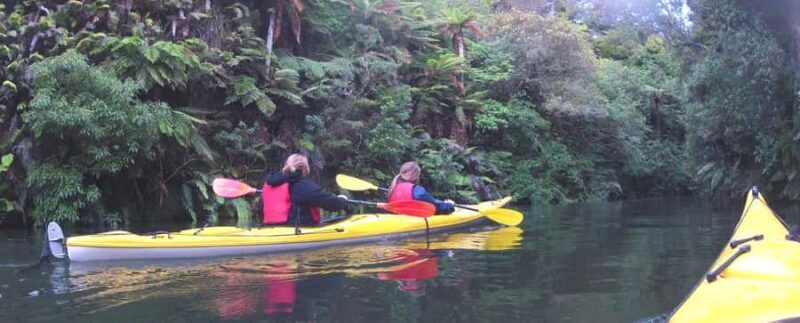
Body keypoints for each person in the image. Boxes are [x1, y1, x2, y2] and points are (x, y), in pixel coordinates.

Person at [263, 153, 348, 226]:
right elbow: (331, 204)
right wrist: (343, 200)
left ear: (286, 165)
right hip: (297, 230)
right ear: (305, 168)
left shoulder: (269, 183)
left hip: (272, 230)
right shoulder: (303, 186)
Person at [387, 161, 455, 215]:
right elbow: (435, 207)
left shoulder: (394, 187)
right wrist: (450, 206)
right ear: (416, 175)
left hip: (399, 218)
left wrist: (444, 203)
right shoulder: (417, 191)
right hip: (412, 221)